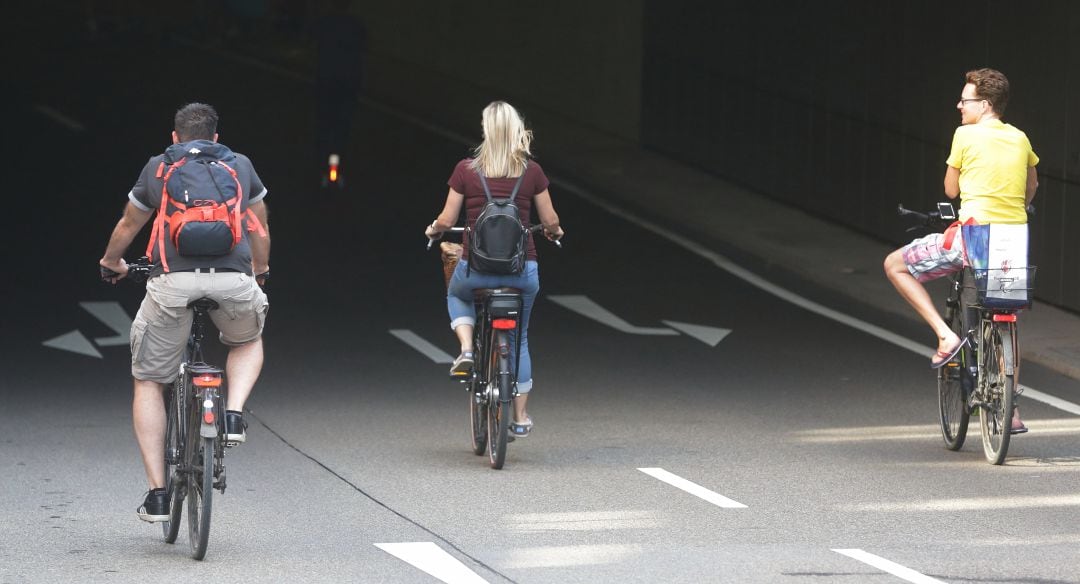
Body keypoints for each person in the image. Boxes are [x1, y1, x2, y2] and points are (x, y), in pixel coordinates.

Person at [99, 103, 271, 522]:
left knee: (148, 380)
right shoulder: (240, 165)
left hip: (172, 283)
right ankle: (232, 414)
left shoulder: (159, 167)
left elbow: (129, 223)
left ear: (174, 137)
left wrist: (112, 262)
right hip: (232, 279)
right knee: (247, 341)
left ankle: (158, 494)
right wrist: (260, 271)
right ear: (216, 137)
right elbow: (258, 226)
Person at [884, 68, 1038, 433]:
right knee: (1007, 313)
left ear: (984, 105)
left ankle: (944, 335)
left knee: (895, 265)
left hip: (973, 239)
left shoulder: (965, 134)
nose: (959, 105)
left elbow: (950, 190)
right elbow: (1031, 186)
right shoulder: (1020, 139)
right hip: (1014, 241)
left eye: (965, 100)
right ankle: (1011, 408)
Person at [425, 101, 564, 438]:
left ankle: (468, 349)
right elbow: (550, 220)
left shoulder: (465, 170)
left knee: (457, 295)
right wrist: (555, 232)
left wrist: (434, 230)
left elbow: (447, 218)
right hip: (522, 271)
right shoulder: (532, 172)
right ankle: (520, 417)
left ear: (486, 130)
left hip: (477, 270)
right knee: (520, 339)